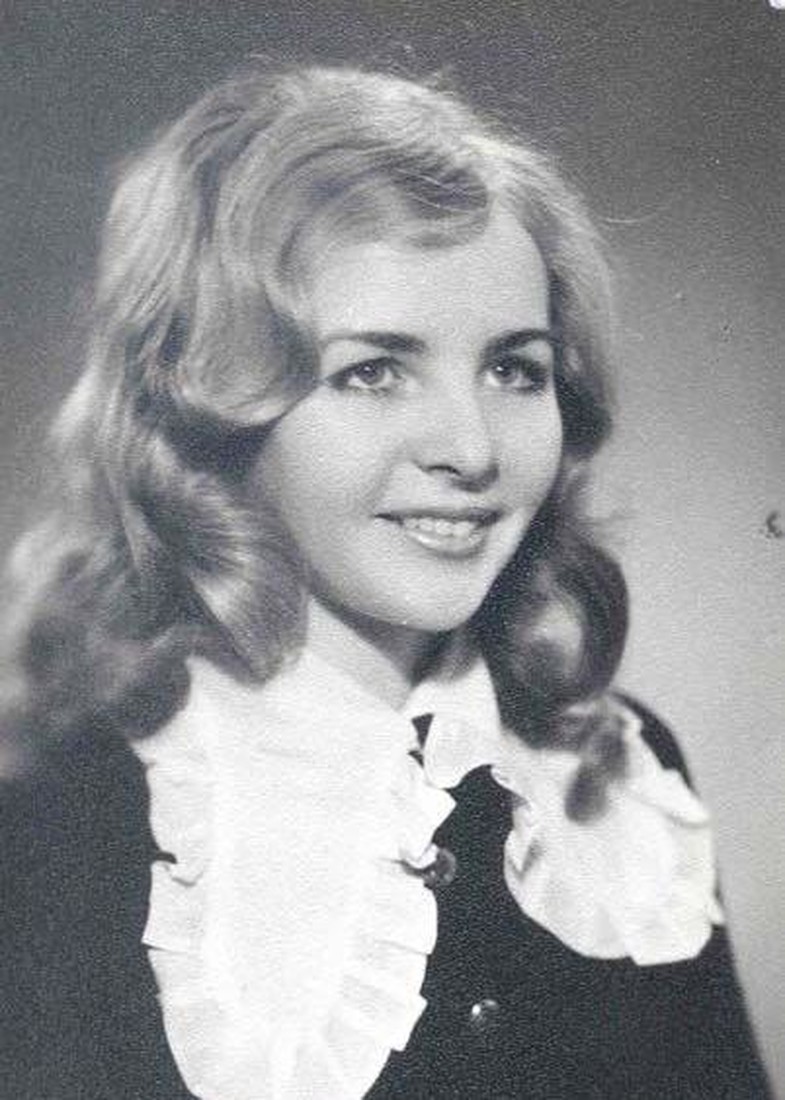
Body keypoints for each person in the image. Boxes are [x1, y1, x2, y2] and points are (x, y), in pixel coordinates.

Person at [0, 63, 770, 1099]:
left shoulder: (607, 775)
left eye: (514, 369)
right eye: (373, 371)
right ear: (214, 404)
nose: (470, 447)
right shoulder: (68, 803)